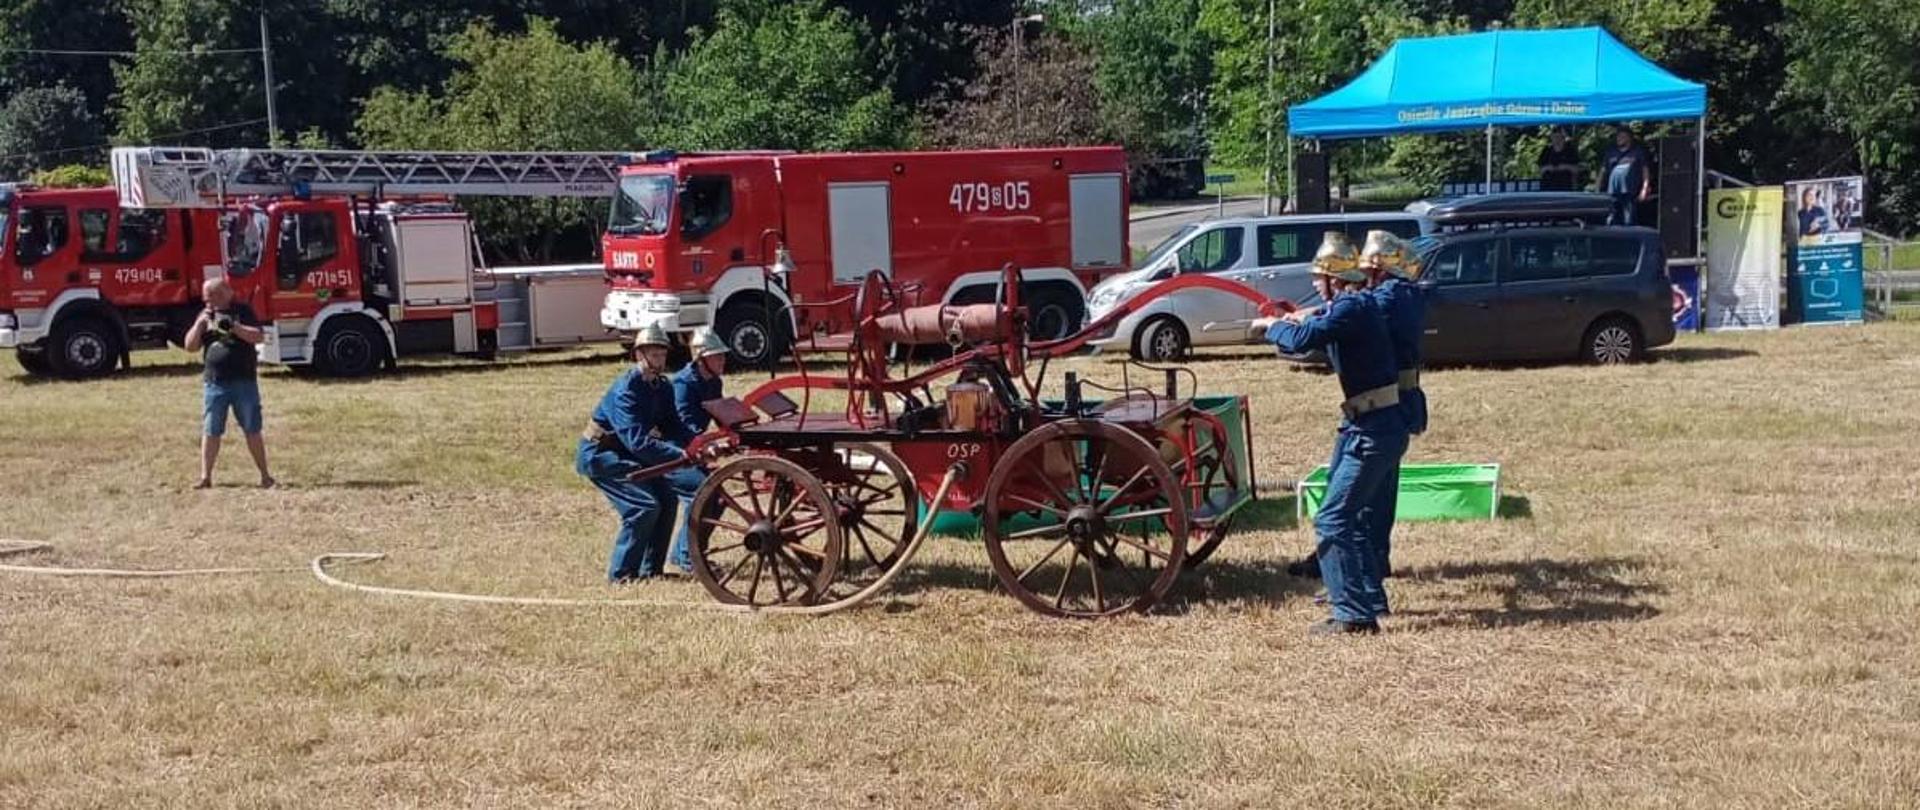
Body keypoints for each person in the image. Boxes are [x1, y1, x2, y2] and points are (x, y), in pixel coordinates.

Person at [1252, 232, 1408, 636]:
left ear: (1334, 280)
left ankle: (1354, 615)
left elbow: (1304, 340)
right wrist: (1294, 318)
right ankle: (1369, 600)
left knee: (1333, 519)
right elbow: (1317, 325)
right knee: (1348, 516)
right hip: (1370, 424)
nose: (1314, 286)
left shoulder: (1352, 308)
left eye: (1318, 279)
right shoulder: (1356, 305)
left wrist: (1271, 327)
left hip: (1372, 429)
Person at [577, 325, 695, 582]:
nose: (660, 360)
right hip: (602, 455)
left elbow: (673, 425)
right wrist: (680, 455)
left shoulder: (662, 386)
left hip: (628, 455)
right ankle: (620, 575)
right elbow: (638, 442)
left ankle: (650, 570)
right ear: (638, 355)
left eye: (662, 354)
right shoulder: (626, 390)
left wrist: (697, 444)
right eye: (654, 355)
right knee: (643, 506)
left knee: (667, 499)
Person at [183, 278, 274, 490]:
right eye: (206, 299)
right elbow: (190, 347)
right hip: (215, 382)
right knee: (211, 429)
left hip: (244, 381)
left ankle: (265, 476)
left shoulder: (243, 310)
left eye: (212, 297)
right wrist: (199, 325)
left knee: (252, 427)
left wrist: (234, 327)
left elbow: (259, 337)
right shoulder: (205, 315)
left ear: (225, 293)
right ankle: (206, 477)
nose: (209, 302)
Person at [664, 328, 729, 573]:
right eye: (717, 356)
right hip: (673, 452)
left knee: (720, 497)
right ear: (701, 358)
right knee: (701, 491)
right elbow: (683, 425)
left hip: (694, 450)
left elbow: (719, 412)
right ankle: (686, 556)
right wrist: (707, 444)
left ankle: (690, 551)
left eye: (723, 355)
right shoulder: (683, 383)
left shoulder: (714, 381)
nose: (723, 360)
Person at [1599, 126, 1653, 226]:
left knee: (1629, 220)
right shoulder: (1611, 152)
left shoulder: (1637, 152)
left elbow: (1645, 170)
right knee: (1612, 219)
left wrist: (1644, 188)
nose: (1619, 139)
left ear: (1629, 138)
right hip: (1612, 193)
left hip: (1629, 192)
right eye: (1618, 136)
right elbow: (1603, 171)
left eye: (1622, 136)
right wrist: (1597, 189)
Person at [1536, 127, 1584, 191]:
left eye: (1559, 137)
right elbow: (1540, 170)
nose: (1557, 139)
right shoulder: (1546, 151)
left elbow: (1577, 169)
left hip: (1566, 187)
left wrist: (1565, 167)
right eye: (1554, 137)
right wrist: (1549, 168)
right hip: (1548, 187)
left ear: (1563, 138)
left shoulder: (1570, 151)